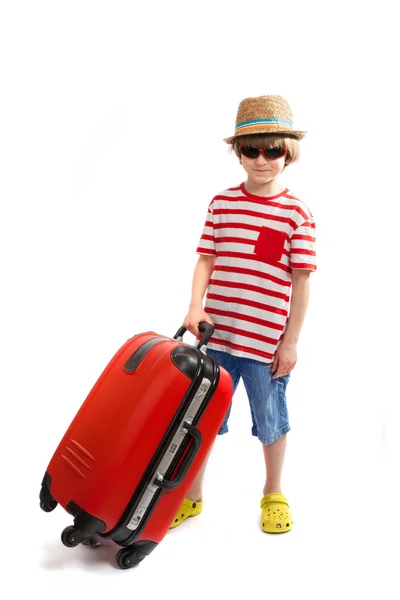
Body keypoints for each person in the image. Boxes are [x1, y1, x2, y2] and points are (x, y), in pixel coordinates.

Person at [170, 95, 317, 533]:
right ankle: (192, 496)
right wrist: (195, 306)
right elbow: (205, 260)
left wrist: (290, 341)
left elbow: (302, 282)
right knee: (203, 420)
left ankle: (274, 493)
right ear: (238, 152)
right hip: (216, 339)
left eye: (272, 149)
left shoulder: (297, 214)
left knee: (270, 421)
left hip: (265, 345)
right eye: (251, 149)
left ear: (287, 153)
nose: (261, 159)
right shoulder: (222, 204)